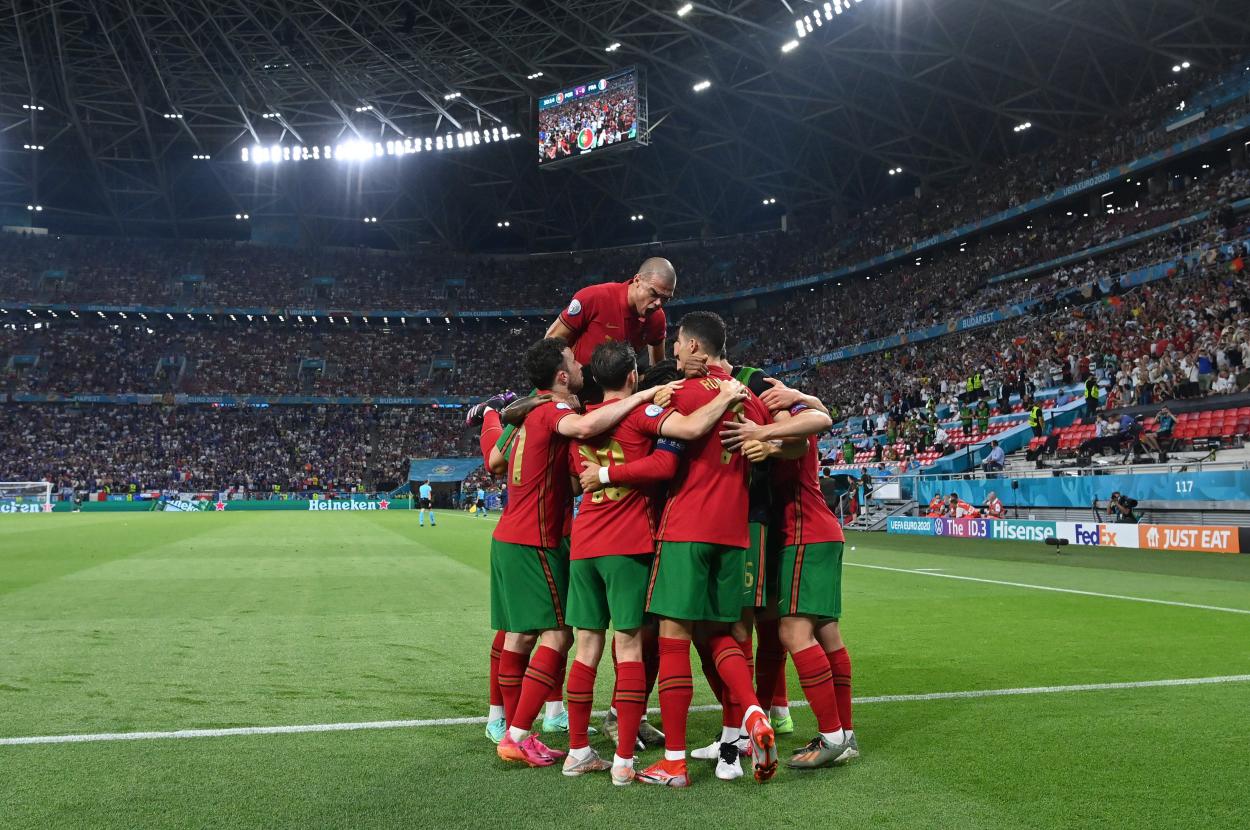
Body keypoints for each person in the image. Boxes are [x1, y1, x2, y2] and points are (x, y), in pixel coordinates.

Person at [562, 341, 750, 782]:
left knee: (586, 647)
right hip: (626, 544)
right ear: (632, 376)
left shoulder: (581, 421)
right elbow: (673, 452)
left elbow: (574, 481)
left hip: (584, 541)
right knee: (630, 648)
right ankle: (624, 763)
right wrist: (723, 396)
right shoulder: (642, 414)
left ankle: (576, 751)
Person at [490, 337, 669, 768]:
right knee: (560, 636)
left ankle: (511, 725)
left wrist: (500, 416)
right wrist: (644, 394)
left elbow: (497, 460)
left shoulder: (533, 413)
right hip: (537, 538)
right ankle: (516, 732)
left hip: (525, 536)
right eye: (573, 360)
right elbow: (588, 430)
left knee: (531, 635)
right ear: (561, 375)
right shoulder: (557, 412)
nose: (580, 365)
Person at [630, 311, 779, 787]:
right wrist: (771, 447)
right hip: (734, 535)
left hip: (686, 528)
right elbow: (792, 436)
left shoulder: (681, 394)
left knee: (674, 640)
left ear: (696, 347)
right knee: (722, 637)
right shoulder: (750, 401)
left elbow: (660, 437)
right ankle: (753, 715)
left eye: (677, 343)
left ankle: (673, 762)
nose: (673, 352)